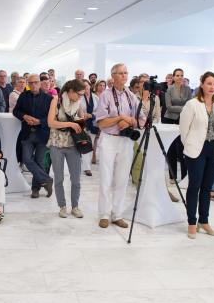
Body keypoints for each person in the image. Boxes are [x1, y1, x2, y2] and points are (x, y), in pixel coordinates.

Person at [95, 63, 142, 229]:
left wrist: (130, 122)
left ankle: (117, 214)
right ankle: (104, 214)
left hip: (126, 140)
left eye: (126, 73)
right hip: (109, 139)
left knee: (122, 179)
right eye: (120, 73)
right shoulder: (105, 96)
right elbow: (101, 123)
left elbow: (141, 119)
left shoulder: (131, 96)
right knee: (106, 178)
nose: (124, 76)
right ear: (113, 76)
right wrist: (119, 118)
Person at [179, 72, 214, 239]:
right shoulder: (192, 104)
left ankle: (204, 221)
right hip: (195, 150)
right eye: (209, 83)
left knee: (207, 188)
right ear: (202, 85)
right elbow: (183, 129)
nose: (212, 87)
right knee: (194, 186)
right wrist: (190, 145)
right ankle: (192, 222)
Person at [47, 80, 87, 218]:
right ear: (70, 91)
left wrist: (81, 122)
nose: (80, 97)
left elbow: (82, 121)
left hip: (73, 144)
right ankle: (62, 206)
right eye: (79, 94)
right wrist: (70, 123)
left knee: (76, 179)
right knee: (59, 178)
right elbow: (50, 122)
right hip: (56, 144)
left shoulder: (78, 104)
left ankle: (75, 207)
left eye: (82, 95)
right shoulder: (56, 101)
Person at [13, 74, 54, 198]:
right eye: (30, 83)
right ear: (27, 84)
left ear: (40, 83)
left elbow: (52, 118)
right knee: (26, 159)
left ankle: (35, 189)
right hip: (27, 133)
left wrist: (39, 121)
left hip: (43, 134)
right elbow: (16, 111)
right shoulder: (23, 96)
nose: (33, 85)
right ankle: (47, 179)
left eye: (35, 82)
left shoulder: (49, 98)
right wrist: (24, 116)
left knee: (40, 162)